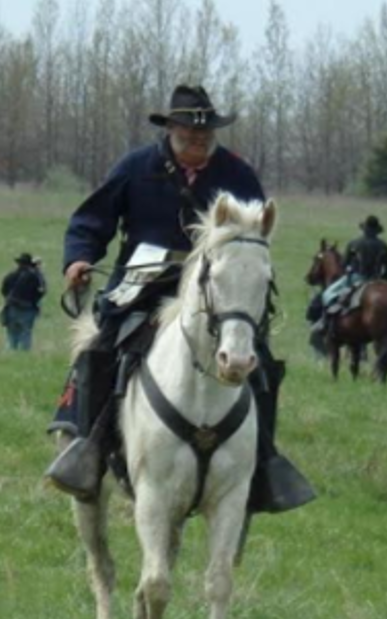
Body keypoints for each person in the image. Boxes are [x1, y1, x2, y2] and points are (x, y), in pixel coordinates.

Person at [45, 84, 314, 514]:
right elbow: (92, 219)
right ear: (171, 128)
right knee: (102, 345)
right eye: (189, 132)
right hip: (143, 286)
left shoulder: (238, 175)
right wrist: (78, 261)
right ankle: (88, 447)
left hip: (217, 292)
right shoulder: (135, 167)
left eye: (205, 134)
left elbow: (254, 238)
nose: (198, 140)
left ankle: (263, 462)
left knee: (258, 361)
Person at [321, 215, 387, 311]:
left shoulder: (354, 243)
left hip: (357, 278)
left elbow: (344, 264)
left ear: (364, 229)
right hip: (376, 279)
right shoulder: (384, 246)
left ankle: (327, 320)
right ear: (377, 231)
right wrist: (383, 280)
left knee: (327, 294)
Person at [1, 252, 46, 351]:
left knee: (12, 335)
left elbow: (4, 290)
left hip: (11, 307)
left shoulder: (11, 275)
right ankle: (24, 356)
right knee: (26, 334)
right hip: (28, 309)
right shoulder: (34, 277)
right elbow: (41, 291)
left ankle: (11, 355)